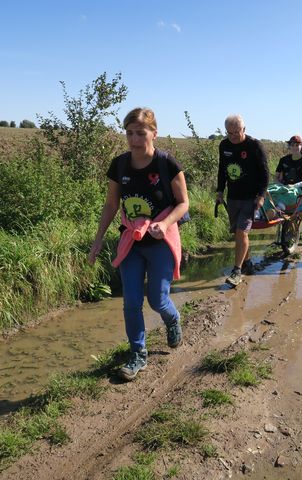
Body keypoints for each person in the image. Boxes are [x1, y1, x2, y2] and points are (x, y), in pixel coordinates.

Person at [88, 107, 189, 381]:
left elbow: (183, 203)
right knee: (131, 301)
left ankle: (172, 319)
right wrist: (97, 241)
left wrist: (165, 224)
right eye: (129, 133)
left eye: (140, 133)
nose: (134, 139)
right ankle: (138, 354)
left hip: (161, 241)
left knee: (157, 299)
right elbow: (111, 205)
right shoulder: (119, 165)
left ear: (154, 133)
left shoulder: (167, 164)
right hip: (131, 241)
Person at [216, 114, 269, 287]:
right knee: (237, 234)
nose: (232, 136)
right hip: (233, 196)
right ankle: (248, 263)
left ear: (244, 129)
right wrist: (219, 191)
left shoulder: (254, 146)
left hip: (250, 197)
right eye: (229, 133)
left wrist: (261, 195)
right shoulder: (224, 145)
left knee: (242, 232)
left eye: (236, 132)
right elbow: (222, 170)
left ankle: (237, 271)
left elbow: (265, 173)